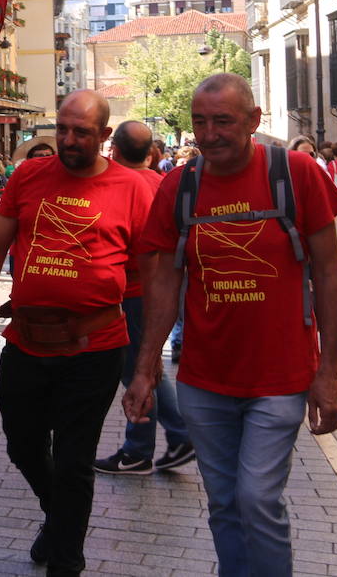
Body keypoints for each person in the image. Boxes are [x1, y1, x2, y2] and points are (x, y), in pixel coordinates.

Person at [125, 74, 337, 577]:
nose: (208, 134)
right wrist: (145, 369)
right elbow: (162, 282)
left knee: (256, 498)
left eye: (222, 121)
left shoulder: (295, 174)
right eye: (199, 122)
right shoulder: (180, 185)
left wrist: (328, 373)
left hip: (281, 377)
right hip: (204, 379)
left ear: (253, 121)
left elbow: (330, 274)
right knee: (224, 502)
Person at [0, 90, 154, 576]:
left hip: (95, 348)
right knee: (21, 444)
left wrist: (147, 364)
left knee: (74, 460)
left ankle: (66, 559)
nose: (68, 140)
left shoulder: (133, 188)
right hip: (27, 341)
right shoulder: (28, 175)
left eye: (81, 132)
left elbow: (152, 278)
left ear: (105, 136)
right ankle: (59, 515)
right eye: (62, 129)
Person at [93, 121, 193, 476]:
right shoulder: (159, 181)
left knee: (138, 370)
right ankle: (175, 437)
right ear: (151, 153)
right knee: (147, 367)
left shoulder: (126, 185)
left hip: (134, 291)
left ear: (115, 151)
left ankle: (144, 447)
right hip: (156, 289)